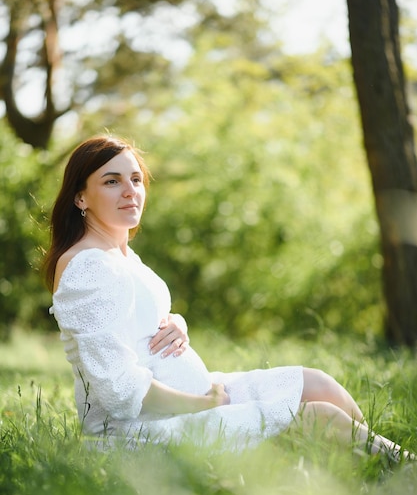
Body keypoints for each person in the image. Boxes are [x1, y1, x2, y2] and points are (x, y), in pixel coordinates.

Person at [43, 135, 412, 459]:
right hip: (143, 433)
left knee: (318, 385)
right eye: (112, 181)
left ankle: (368, 468)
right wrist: (205, 403)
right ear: (80, 197)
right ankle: (398, 471)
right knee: (321, 417)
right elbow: (118, 390)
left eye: (136, 179)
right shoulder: (88, 265)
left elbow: (138, 318)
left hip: (194, 400)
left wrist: (177, 322)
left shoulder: (118, 254)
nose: (130, 190)